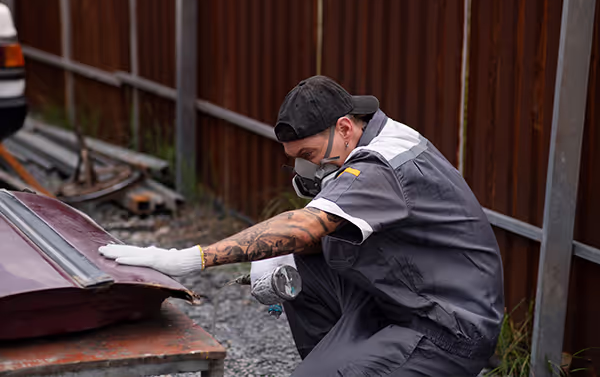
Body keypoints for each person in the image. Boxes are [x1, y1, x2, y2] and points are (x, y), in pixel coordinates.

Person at [100, 75, 504, 376]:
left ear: (344, 127)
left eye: (309, 155)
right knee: (297, 270)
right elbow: (323, 236)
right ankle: (342, 361)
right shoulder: (372, 134)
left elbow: (308, 224)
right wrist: (280, 255)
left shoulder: (382, 166)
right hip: (401, 297)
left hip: (446, 327)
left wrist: (188, 258)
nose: (306, 168)